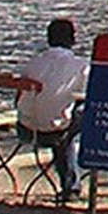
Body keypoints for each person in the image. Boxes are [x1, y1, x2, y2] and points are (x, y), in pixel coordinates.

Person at [17, 17, 91, 201]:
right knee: (78, 117)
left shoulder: (34, 62)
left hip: (26, 129)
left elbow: (18, 97)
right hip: (55, 130)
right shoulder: (80, 65)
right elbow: (91, 93)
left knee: (62, 119)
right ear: (72, 40)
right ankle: (76, 183)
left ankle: (71, 184)